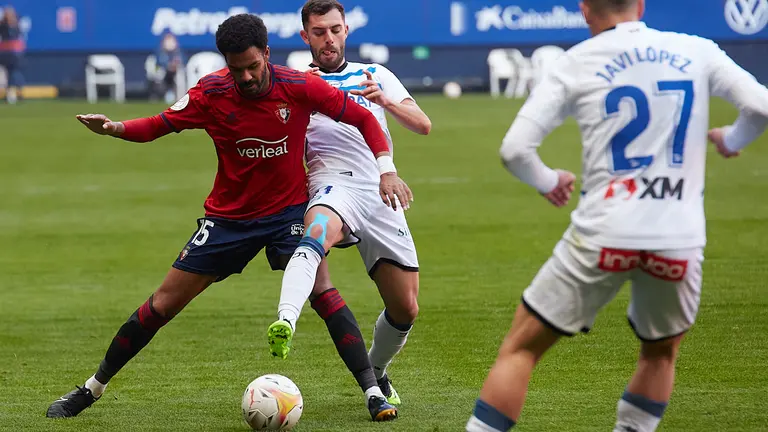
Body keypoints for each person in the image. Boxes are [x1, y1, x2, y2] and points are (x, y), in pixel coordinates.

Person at [45, 13, 411, 420]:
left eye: (253, 66)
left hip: (287, 213)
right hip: (229, 220)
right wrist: (115, 127)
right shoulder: (211, 92)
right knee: (163, 303)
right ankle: (91, 389)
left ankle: (373, 392)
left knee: (323, 291)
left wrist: (386, 169)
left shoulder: (299, 85)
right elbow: (158, 124)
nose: (247, 77)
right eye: (237, 70)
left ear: (267, 54)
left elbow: (363, 117)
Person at [465, 1, 768, 431]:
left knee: (521, 350)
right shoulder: (697, 50)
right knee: (659, 353)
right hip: (677, 238)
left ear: (584, 9)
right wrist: (732, 139)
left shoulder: (576, 62)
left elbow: (515, 150)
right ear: (640, 5)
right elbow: (761, 107)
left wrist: (549, 181)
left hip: (603, 233)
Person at [266, 0, 431, 417]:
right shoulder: (297, 82)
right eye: (319, 32)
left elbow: (422, 124)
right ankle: (286, 319)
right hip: (330, 185)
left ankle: (376, 369)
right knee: (315, 235)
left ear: (346, 30)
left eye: (335, 30)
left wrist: (386, 102)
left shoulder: (374, 74)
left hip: (380, 188)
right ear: (305, 36)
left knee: (405, 307)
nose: (329, 39)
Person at [0, 5, 25, 104]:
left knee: (15, 73)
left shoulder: (16, 26)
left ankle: (19, 92)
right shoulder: (3, 26)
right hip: (5, 54)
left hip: (14, 54)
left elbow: (19, 39)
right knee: (7, 74)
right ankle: (9, 93)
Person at [153, 32, 185, 104]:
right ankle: (158, 95)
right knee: (159, 74)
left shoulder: (178, 51)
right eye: (167, 41)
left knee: (180, 76)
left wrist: (175, 65)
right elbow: (158, 62)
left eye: (171, 41)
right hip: (164, 71)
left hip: (176, 71)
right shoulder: (160, 51)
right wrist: (168, 66)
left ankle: (180, 97)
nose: (170, 43)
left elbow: (182, 61)